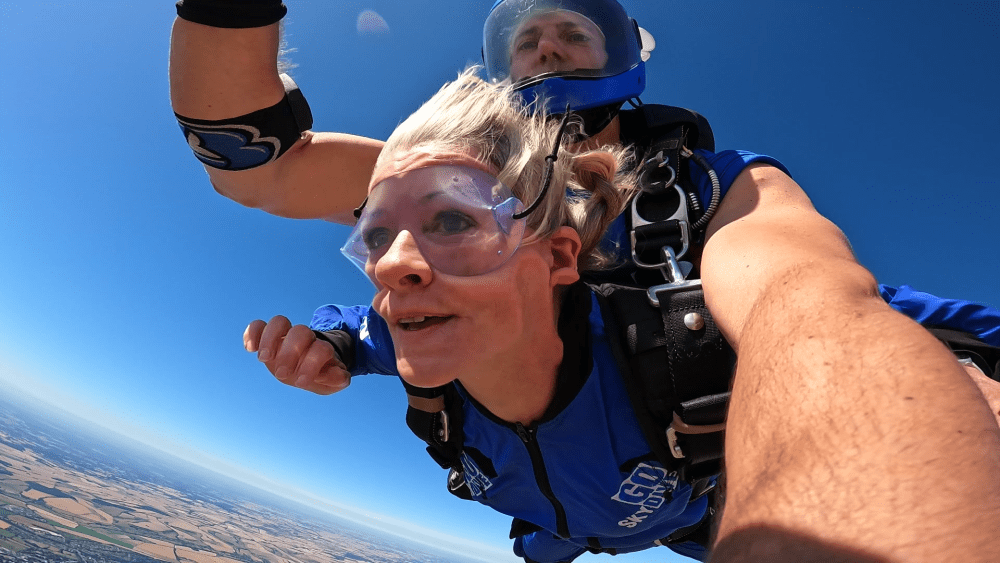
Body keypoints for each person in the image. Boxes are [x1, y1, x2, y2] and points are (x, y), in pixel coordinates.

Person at [172, 1, 1000, 561]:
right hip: (545, 526)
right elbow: (254, 160)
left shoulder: (713, 189)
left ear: (624, 59)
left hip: (689, 506)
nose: (544, 46)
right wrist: (331, 346)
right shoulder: (440, 181)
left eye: (574, 29)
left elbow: (807, 305)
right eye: (523, 37)